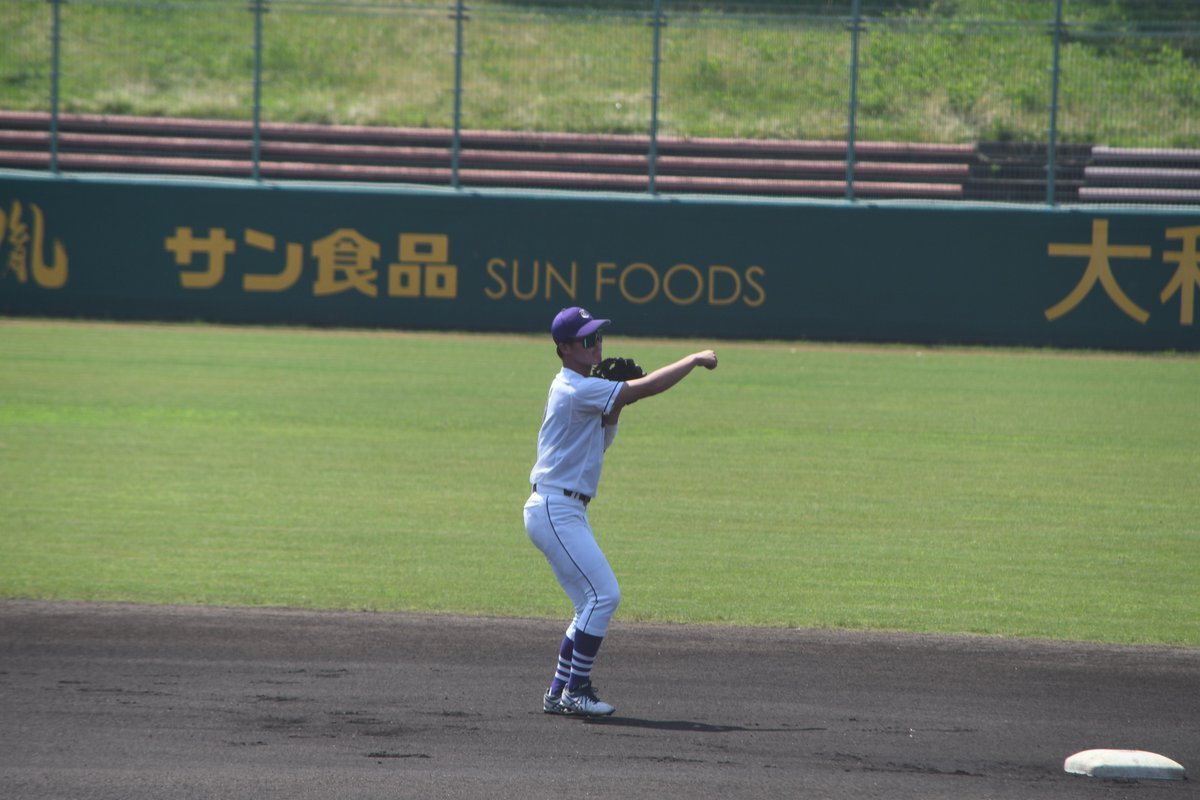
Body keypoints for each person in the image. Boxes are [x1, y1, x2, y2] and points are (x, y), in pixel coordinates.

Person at [524, 306, 718, 717]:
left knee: (588, 603)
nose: (596, 345)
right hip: (555, 509)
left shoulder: (583, 390)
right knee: (605, 595)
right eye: (587, 339)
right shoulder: (575, 388)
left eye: (598, 337)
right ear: (564, 348)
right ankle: (577, 691)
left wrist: (615, 404)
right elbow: (645, 388)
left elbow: (600, 442)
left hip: (561, 509)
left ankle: (558, 691)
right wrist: (693, 359)